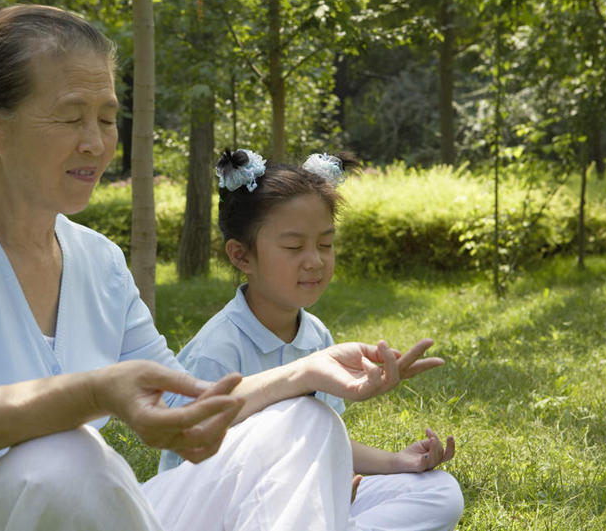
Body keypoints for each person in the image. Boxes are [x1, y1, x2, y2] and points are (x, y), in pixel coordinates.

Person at [0, 4, 447, 531]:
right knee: (63, 455)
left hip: (83, 510)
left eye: (107, 118)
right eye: (70, 116)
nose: (96, 142)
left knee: (306, 424)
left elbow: (182, 401)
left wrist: (308, 372)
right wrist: (91, 393)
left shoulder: (99, 262)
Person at [159, 149, 464, 530]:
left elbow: (323, 440)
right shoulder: (217, 351)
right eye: (293, 247)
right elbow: (195, 463)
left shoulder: (317, 336)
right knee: (303, 418)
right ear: (241, 256)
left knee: (439, 492)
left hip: (295, 503)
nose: (315, 261)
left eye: (325, 244)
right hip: (214, 510)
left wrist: (395, 463)